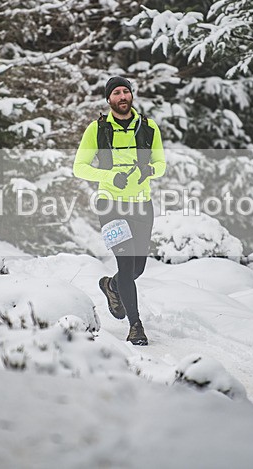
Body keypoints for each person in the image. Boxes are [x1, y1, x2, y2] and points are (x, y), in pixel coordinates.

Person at [73, 76, 165, 345]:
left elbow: (161, 163)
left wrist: (150, 169)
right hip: (109, 205)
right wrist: (109, 176)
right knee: (125, 266)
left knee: (137, 269)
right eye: (116, 93)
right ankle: (136, 326)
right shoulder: (97, 129)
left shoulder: (148, 127)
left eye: (126, 91)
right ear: (109, 99)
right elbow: (79, 166)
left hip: (141, 205)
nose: (122, 96)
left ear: (131, 96)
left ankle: (111, 286)